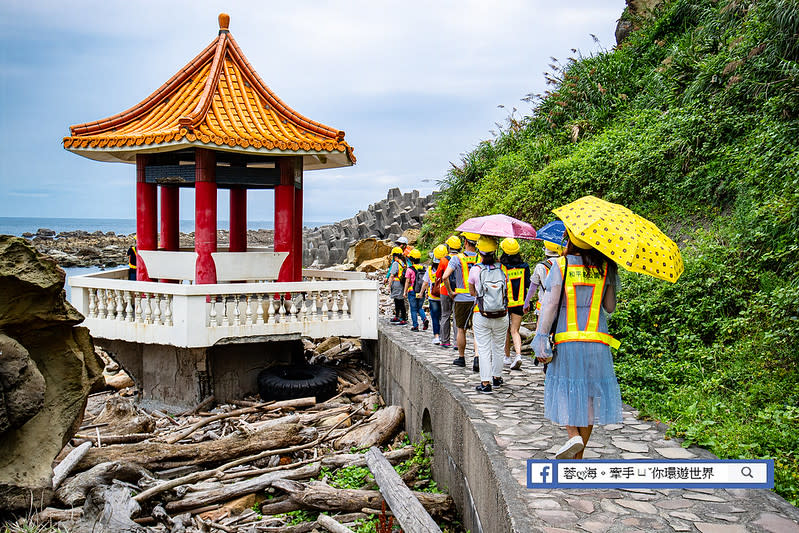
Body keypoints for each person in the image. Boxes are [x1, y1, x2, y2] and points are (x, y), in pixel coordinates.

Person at [533, 228, 623, 459]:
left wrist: (541, 338)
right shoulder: (606, 267)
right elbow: (610, 307)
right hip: (597, 341)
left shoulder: (562, 266)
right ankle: (578, 456)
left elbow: (551, 305)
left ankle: (572, 434)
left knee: (564, 390)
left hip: (568, 340)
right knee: (590, 396)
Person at [469, 236, 508, 393]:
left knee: (484, 348)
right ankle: (497, 378)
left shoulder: (475, 270)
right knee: (498, 347)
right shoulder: (503, 269)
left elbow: (472, 291)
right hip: (501, 314)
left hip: (481, 314)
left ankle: (485, 383)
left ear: (480, 251)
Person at [442, 232, 481, 371]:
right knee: (477, 330)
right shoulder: (480, 258)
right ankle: (477, 357)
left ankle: (461, 357)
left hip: (461, 299)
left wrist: (451, 292)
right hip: (478, 299)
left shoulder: (457, 259)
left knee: (461, 329)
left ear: (465, 242)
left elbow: (445, 276)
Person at [499, 238, 531, 370]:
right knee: (515, 330)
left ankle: (507, 357)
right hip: (519, 303)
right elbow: (528, 284)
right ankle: (518, 355)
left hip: (504, 303)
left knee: (505, 331)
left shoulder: (502, 267)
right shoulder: (525, 267)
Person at [435, 235, 461, 348]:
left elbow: (438, 276)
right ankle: (457, 342)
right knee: (456, 317)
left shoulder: (444, 260)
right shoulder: (462, 259)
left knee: (445, 315)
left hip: (445, 291)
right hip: (459, 291)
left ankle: (445, 340)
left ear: (449, 247)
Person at [421, 244, 448, 344]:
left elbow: (425, 283)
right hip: (445, 296)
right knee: (444, 317)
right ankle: (444, 337)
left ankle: (436, 337)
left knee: (435, 317)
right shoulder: (447, 269)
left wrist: (421, 293)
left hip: (433, 297)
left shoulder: (429, 270)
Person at [404, 248, 429, 332]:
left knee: (413, 309)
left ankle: (415, 326)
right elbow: (426, 281)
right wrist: (427, 291)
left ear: (411, 260)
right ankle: (424, 319)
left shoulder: (410, 269)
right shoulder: (423, 268)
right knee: (420, 307)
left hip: (412, 291)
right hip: (421, 291)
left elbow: (407, 281)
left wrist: (404, 292)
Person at [387, 247, 408, 325]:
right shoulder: (403, 263)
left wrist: (389, 286)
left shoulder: (396, 263)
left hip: (396, 284)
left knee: (399, 301)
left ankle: (402, 318)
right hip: (401, 284)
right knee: (398, 300)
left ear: (394, 255)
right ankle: (398, 316)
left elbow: (392, 275)